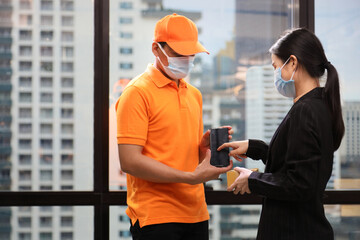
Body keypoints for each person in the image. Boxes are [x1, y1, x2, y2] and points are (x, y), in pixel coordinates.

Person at [218, 28, 344, 240]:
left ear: (293, 63)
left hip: (294, 231)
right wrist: (255, 148)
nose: (276, 74)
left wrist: (253, 179)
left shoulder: (305, 110)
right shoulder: (318, 106)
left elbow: (300, 184)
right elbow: (298, 163)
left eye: (276, 67)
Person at [115, 13, 233, 240]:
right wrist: (190, 177)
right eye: (178, 53)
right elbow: (129, 161)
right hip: (156, 217)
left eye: (190, 54)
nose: (186, 59)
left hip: (196, 213)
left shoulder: (194, 95)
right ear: (156, 49)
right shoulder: (137, 93)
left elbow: (188, 160)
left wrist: (202, 149)